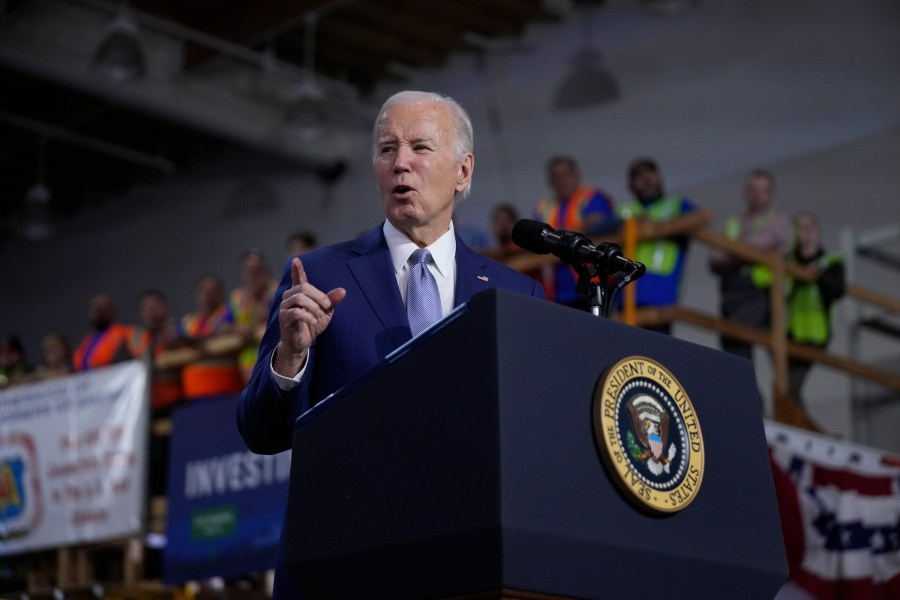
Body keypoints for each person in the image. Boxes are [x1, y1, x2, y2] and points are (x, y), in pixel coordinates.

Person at [236, 90, 545, 598]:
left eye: (420, 147)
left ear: (463, 172)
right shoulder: (317, 276)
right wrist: (289, 357)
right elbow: (261, 432)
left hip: (469, 567)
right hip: (345, 570)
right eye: (386, 149)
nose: (401, 162)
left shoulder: (516, 293)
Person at [615, 158, 707, 334]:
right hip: (625, 296)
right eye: (639, 176)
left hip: (661, 297)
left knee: (656, 355)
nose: (646, 179)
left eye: (650, 173)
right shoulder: (624, 210)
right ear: (631, 185)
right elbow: (599, 228)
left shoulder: (677, 205)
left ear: (660, 178)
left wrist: (658, 225)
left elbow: (701, 218)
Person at [709, 168, 792, 363]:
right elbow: (714, 259)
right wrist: (745, 254)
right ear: (746, 192)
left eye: (763, 190)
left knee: (738, 336)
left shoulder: (779, 220)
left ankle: (760, 393)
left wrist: (733, 252)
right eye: (753, 189)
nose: (757, 195)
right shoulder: (733, 222)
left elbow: (756, 246)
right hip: (731, 293)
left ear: (771, 194)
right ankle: (748, 393)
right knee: (732, 348)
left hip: (761, 291)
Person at [533, 156, 617, 306]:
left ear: (576, 175)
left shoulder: (591, 197)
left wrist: (557, 235)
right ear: (550, 181)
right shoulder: (543, 207)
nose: (562, 180)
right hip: (557, 293)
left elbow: (599, 225)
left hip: (593, 284)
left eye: (566, 174)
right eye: (556, 176)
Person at [785, 211, 844, 403]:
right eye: (802, 227)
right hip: (791, 334)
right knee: (786, 388)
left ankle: (802, 430)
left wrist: (818, 275)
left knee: (791, 389)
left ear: (818, 231)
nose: (807, 231)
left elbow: (837, 290)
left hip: (817, 335)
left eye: (811, 226)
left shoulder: (832, 261)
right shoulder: (786, 262)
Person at [179, 274, 243, 399]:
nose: (209, 294)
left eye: (214, 290)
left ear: (222, 294)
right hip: (194, 396)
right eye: (204, 290)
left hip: (229, 392)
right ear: (197, 295)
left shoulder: (231, 314)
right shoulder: (188, 322)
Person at [230, 249, 279, 384]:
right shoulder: (237, 297)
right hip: (248, 370)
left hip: (277, 362)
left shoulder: (278, 290)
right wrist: (235, 328)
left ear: (266, 271)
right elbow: (222, 325)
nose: (254, 276)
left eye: (258, 271)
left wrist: (253, 298)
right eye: (249, 272)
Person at [129, 289, 184, 410]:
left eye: (154, 307)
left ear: (165, 307)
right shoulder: (138, 339)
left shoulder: (179, 330)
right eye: (146, 309)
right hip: (148, 406)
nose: (151, 312)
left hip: (177, 402)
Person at [72, 293, 134, 371]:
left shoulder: (125, 333)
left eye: (103, 308)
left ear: (111, 311)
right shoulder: (86, 341)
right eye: (94, 308)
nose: (98, 312)